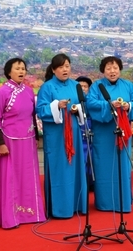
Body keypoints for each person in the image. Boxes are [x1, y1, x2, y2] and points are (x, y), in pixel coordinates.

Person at [0, 57, 46, 228]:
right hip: (9, 142)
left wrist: (36, 137)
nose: (21, 71)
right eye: (17, 68)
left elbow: (32, 116)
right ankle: (11, 216)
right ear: (9, 72)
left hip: (28, 141)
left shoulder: (29, 91)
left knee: (28, 177)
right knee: (11, 178)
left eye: (23, 68)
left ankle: (31, 214)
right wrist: (0, 144)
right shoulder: (1, 92)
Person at [86, 56, 133, 212]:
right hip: (103, 133)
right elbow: (90, 103)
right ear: (103, 71)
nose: (112, 71)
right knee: (103, 167)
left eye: (115, 68)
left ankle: (122, 201)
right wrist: (109, 104)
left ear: (120, 69)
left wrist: (128, 105)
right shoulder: (97, 86)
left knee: (122, 166)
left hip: (122, 132)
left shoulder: (128, 85)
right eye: (108, 68)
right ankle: (105, 203)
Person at [36, 54, 87, 218]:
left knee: (75, 168)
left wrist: (76, 109)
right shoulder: (47, 87)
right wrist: (57, 105)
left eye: (67, 66)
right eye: (60, 67)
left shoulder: (76, 85)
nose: (65, 70)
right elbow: (40, 110)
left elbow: (84, 105)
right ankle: (60, 209)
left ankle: (77, 205)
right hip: (56, 136)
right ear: (53, 70)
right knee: (59, 169)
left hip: (74, 134)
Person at [76, 76, 94, 191]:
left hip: (91, 129)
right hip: (79, 131)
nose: (83, 89)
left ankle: (91, 183)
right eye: (80, 86)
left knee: (91, 156)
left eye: (85, 86)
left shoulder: (92, 100)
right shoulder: (73, 100)